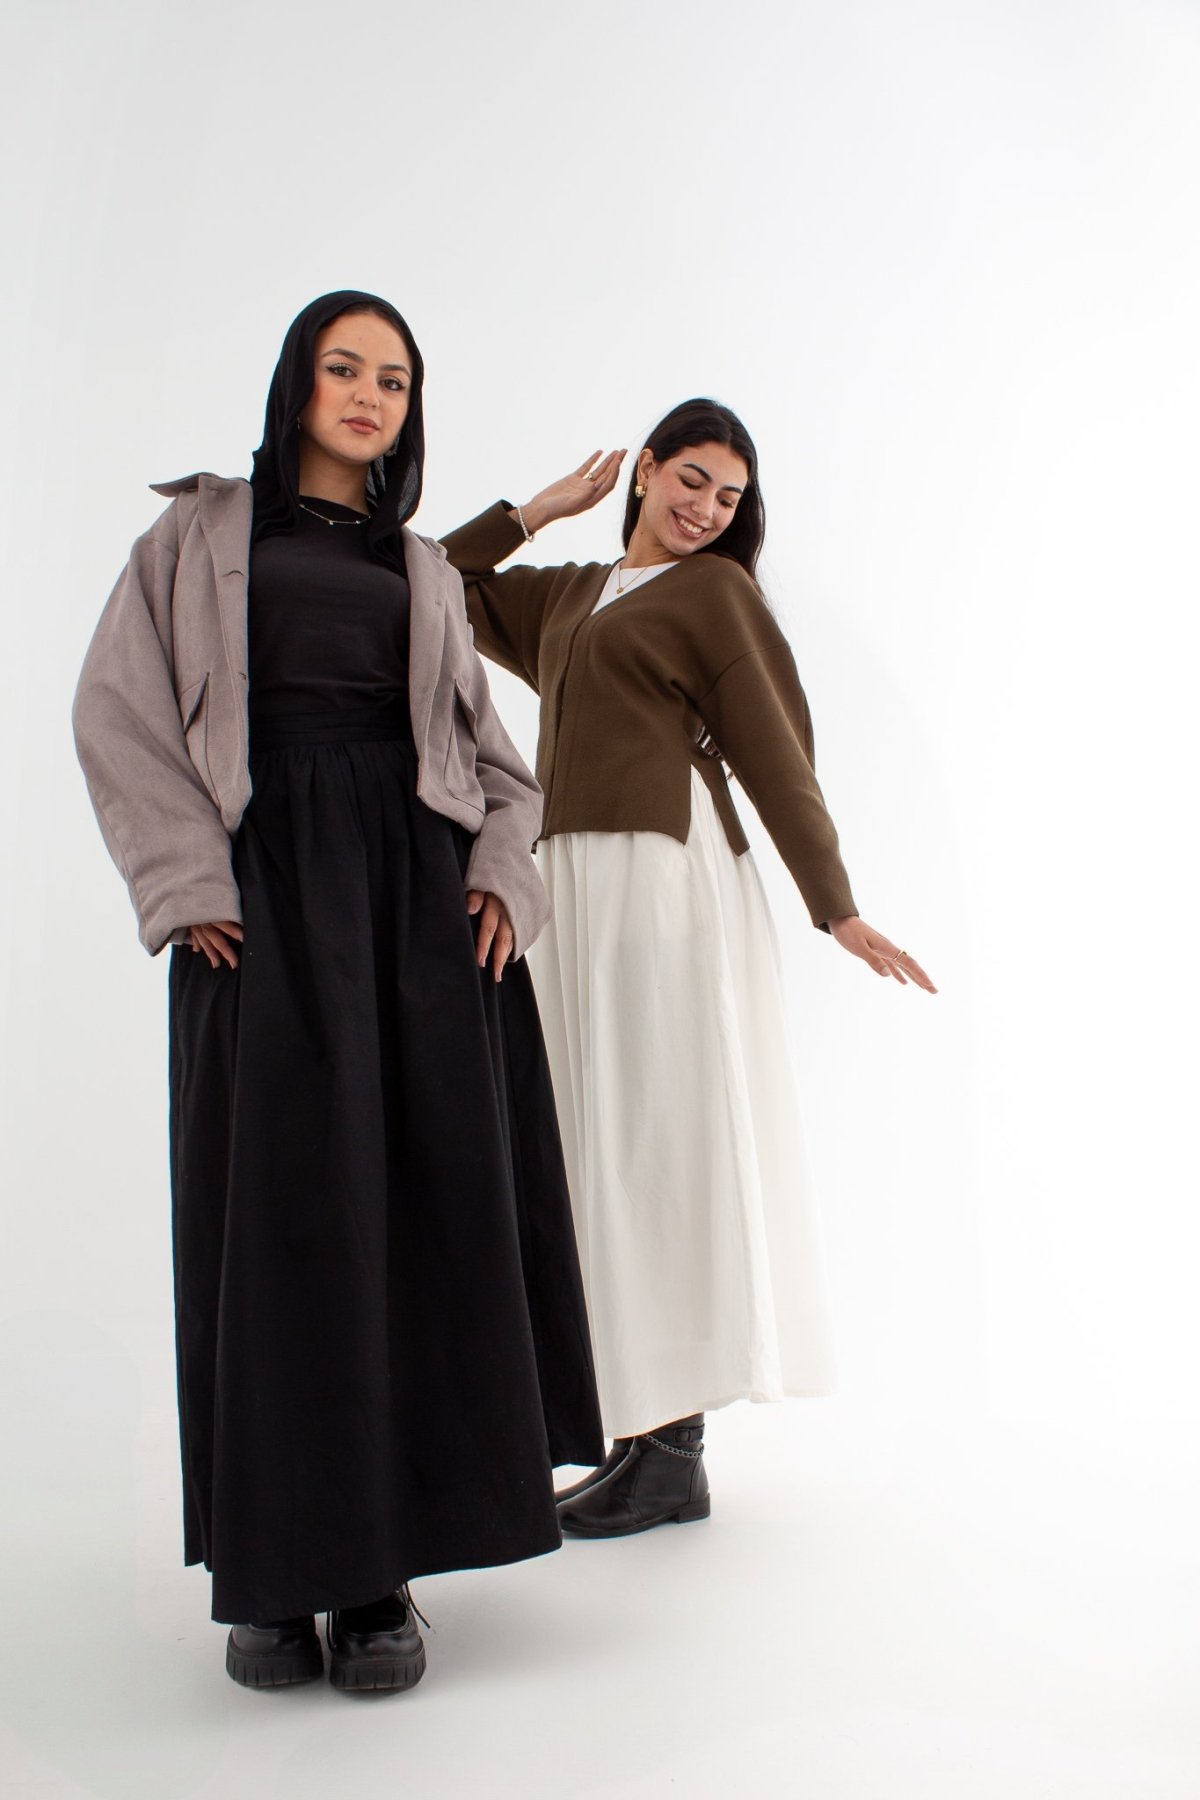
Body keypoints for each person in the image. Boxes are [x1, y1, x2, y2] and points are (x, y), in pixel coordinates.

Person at [73, 291, 603, 1693]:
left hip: (417, 915)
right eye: (344, 367)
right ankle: (274, 1572)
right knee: (279, 1226)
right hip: (258, 912)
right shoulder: (196, 537)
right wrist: (186, 882)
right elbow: (116, 712)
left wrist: (504, 877)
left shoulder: (421, 568)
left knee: (408, 1228)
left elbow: (501, 764)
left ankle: (377, 1581)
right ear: (296, 383)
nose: (370, 394)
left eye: (395, 379)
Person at [440, 399, 935, 1539]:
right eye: (692, 479)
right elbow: (432, 586)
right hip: (568, 891)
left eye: (730, 496)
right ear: (646, 470)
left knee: (661, 1139)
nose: (708, 509)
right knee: (592, 1147)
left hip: (663, 881)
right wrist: (533, 511)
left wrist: (835, 905)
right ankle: (637, 1433)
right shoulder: (569, 594)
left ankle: (673, 1451)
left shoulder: (717, 595)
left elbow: (776, 752)